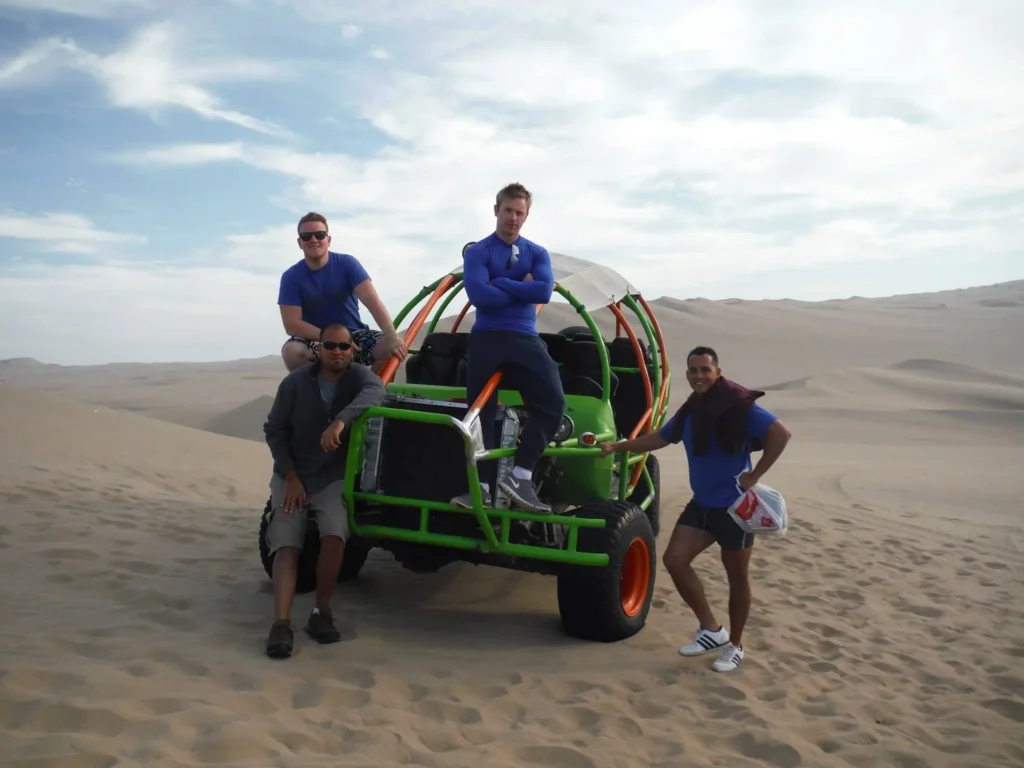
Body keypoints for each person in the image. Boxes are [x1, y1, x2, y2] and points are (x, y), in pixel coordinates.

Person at [598, 346, 792, 673]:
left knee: (737, 578)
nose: (699, 376)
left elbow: (780, 433)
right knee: (675, 560)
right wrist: (619, 446)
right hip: (701, 505)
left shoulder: (738, 406)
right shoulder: (691, 410)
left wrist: (756, 474)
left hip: (735, 510)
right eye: (693, 370)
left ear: (717, 371)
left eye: (705, 369)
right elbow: (662, 437)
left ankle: (735, 646)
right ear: (687, 374)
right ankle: (712, 631)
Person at [262, 323, 386, 658]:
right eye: (330, 346)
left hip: (331, 477)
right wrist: (290, 475)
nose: (337, 352)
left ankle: (321, 612)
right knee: (287, 543)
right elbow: (274, 429)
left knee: (334, 534)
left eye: (344, 347)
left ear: (352, 350)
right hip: (293, 474)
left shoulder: (359, 377)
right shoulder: (295, 383)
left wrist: (340, 421)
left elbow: (377, 391)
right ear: (318, 350)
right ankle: (281, 624)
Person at [450, 182, 565, 514]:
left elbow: (543, 292)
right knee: (479, 413)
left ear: (526, 216)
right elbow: (479, 296)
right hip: (487, 337)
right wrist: (520, 287)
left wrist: (500, 282)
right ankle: (481, 488)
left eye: (520, 212)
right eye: (508, 210)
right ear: (496, 210)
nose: (513, 218)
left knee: (553, 402)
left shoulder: (537, 253)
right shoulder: (479, 252)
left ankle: (521, 474)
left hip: (525, 338)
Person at [278, 211, 408, 372]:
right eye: (306, 236)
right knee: (292, 352)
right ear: (299, 242)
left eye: (319, 235)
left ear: (328, 240)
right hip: (316, 339)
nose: (313, 240)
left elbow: (372, 301)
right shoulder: (291, 277)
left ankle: (369, 391)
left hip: (353, 335)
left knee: (390, 346)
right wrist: (331, 338)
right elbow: (292, 324)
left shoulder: (347, 264)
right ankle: (315, 394)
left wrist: (392, 336)